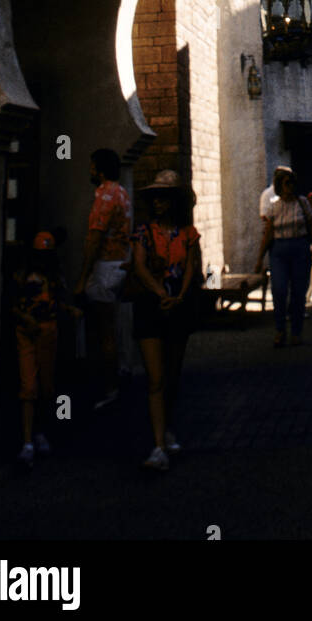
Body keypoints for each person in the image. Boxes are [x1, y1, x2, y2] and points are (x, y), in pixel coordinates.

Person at [131, 169, 200, 472]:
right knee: (156, 378)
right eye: (155, 198)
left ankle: (166, 428)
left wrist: (180, 295)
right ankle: (158, 445)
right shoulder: (143, 232)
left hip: (178, 309)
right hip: (150, 307)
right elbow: (140, 267)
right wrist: (161, 292)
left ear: (174, 202)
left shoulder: (187, 233)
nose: (158, 202)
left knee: (171, 375)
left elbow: (191, 268)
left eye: (164, 197)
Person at [12, 231, 81, 468]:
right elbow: (11, 304)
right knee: (29, 386)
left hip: (48, 330)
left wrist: (69, 311)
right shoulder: (22, 276)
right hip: (27, 332)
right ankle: (28, 440)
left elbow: (56, 302)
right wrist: (24, 318)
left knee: (48, 385)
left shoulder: (54, 278)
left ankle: (42, 431)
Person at [75, 148, 132, 410]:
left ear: (99, 169)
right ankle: (118, 375)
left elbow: (95, 238)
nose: (89, 170)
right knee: (113, 327)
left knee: (104, 331)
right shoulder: (122, 193)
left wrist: (83, 276)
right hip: (119, 265)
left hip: (105, 267)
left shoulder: (105, 196)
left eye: (92, 165)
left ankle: (109, 388)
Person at [255, 170, 312, 347]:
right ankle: (280, 329)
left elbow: (311, 226)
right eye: (286, 183)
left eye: (291, 182)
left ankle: (297, 331)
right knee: (279, 289)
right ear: (279, 186)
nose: (289, 187)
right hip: (279, 250)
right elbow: (268, 233)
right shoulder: (274, 206)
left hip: (299, 248)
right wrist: (260, 258)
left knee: (298, 292)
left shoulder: (302, 203)